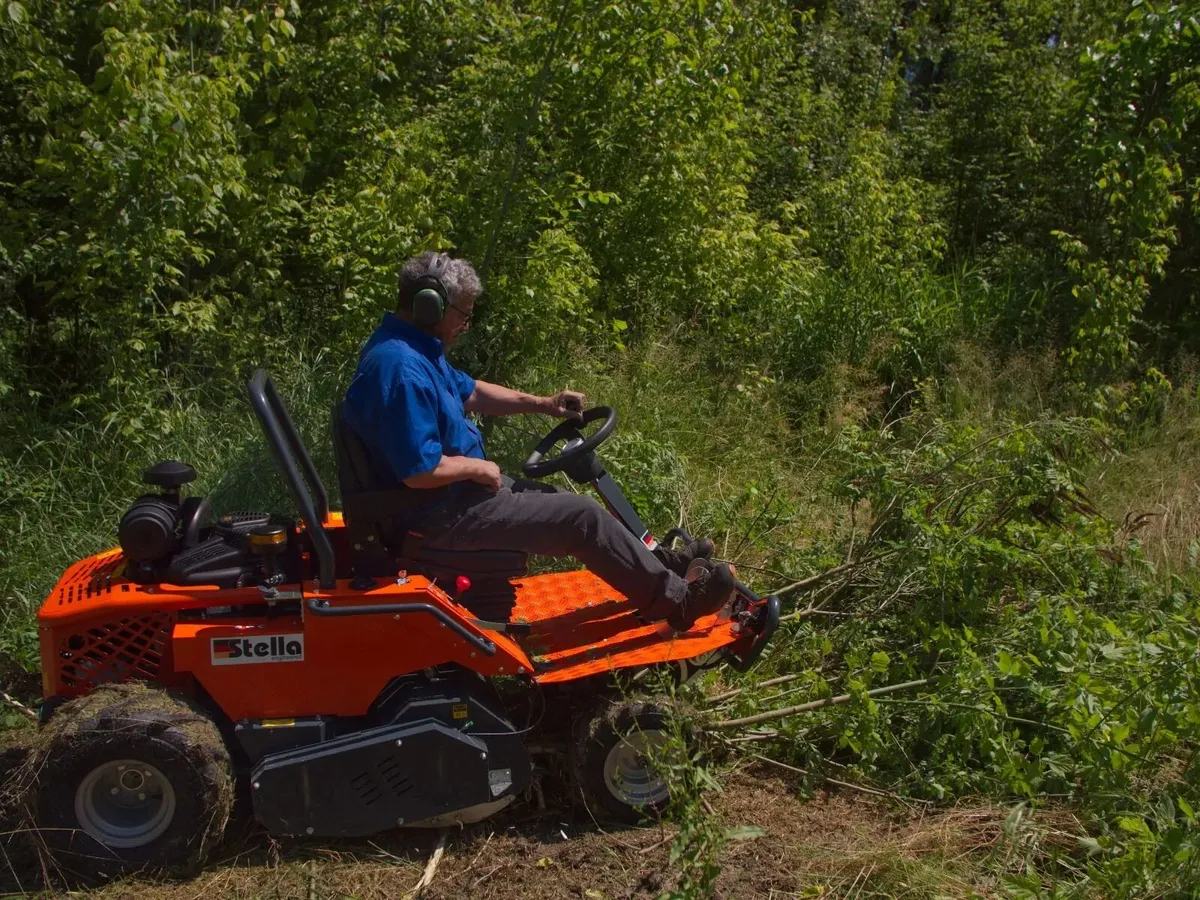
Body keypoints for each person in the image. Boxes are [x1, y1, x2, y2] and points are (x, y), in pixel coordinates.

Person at [342, 251, 734, 630]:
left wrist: (544, 404)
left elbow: (472, 391)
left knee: (550, 499)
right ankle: (680, 603)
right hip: (434, 515)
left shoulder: (417, 352)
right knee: (581, 519)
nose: (465, 324)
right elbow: (420, 470)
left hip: (449, 500)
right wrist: (478, 466)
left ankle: (663, 566)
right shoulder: (399, 369)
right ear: (431, 307)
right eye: (463, 313)